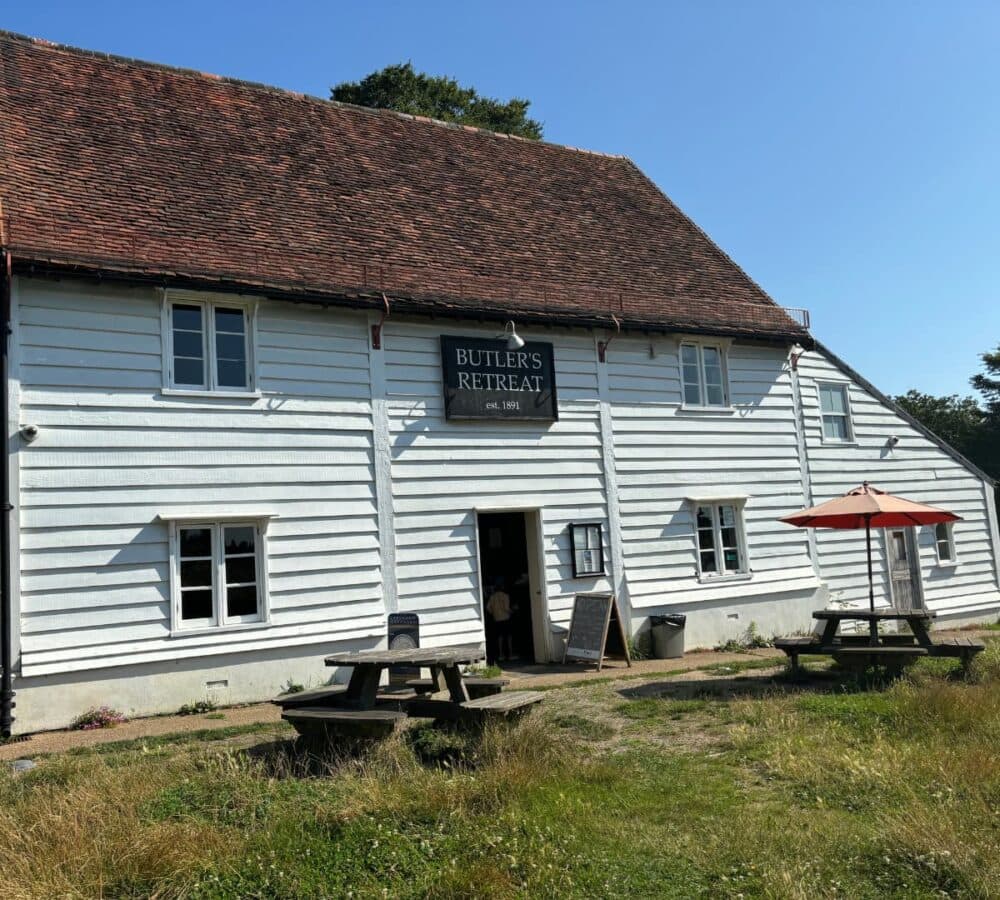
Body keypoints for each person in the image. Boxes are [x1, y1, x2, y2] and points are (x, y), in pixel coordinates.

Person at [486, 578, 515, 662]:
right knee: (509, 637)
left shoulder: (492, 597)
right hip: (506, 618)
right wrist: (512, 611)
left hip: (497, 619)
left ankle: (501, 655)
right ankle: (510, 654)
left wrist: (493, 613)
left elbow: (488, 608)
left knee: (500, 637)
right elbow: (506, 608)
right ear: (502, 586)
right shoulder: (505, 596)